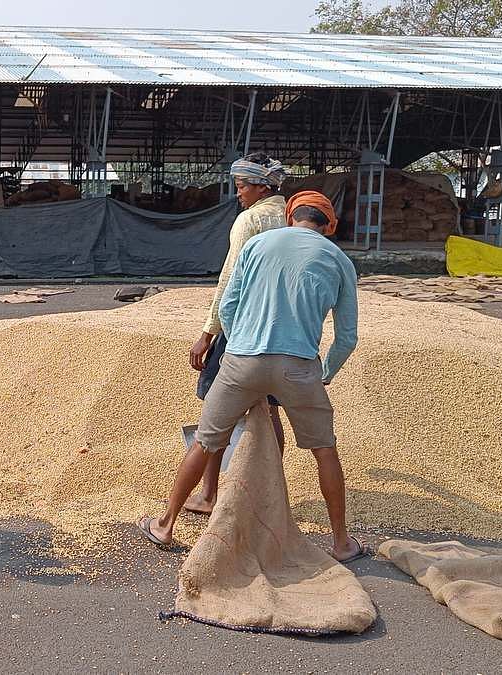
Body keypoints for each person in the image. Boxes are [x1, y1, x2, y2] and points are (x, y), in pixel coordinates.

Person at [139, 190, 365, 564]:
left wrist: (240, 347)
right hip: (299, 366)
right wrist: (323, 376)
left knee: (206, 442)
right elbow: (347, 338)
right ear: (330, 225)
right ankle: (341, 543)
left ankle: (164, 525)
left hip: (241, 360)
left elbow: (228, 305)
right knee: (324, 450)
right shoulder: (339, 260)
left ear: (291, 216)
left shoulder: (258, 244)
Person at [184, 152, 289, 516]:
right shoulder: (291, 216)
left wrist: (208, 332)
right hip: (281, 330)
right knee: (271, 410)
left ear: (261, 186)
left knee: (218, 411)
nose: (238, 193)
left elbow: (230, 281)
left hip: (243, 328)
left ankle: (209, 494)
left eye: (242, 186)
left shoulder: (252, 219)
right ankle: (270, 494)